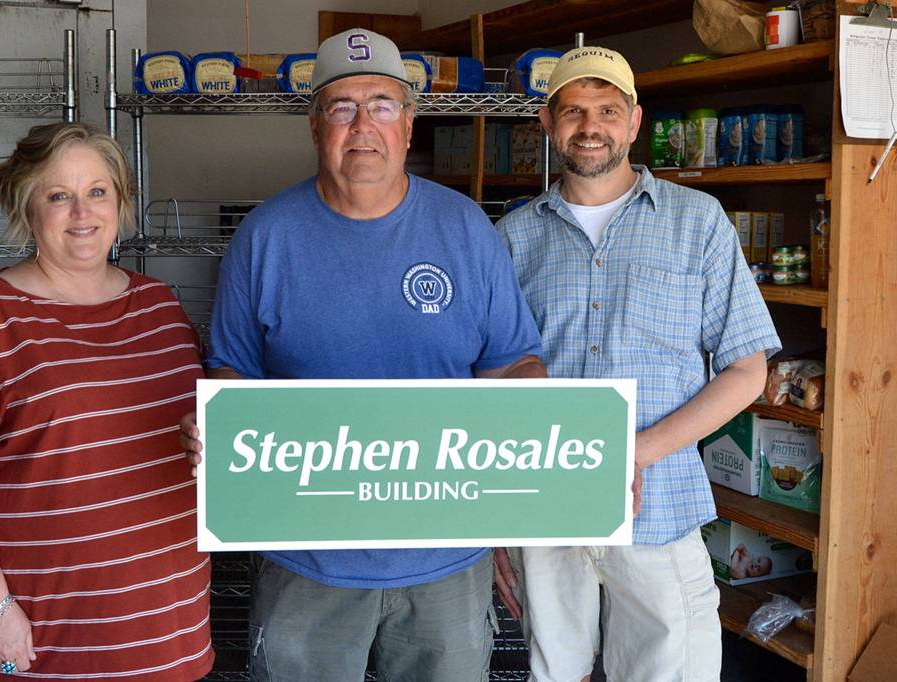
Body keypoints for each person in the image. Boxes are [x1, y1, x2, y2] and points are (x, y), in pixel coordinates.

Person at [179, 28, 546, 681]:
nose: (362, 125)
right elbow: (231, 371)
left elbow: (514, 361)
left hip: (447, 558)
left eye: (380, 105)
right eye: (342, 107)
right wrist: (219, 418)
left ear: (408, 124)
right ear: (315, 126)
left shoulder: (466, 229)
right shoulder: (264, 237)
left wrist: (534, 436)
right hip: (306, 558)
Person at [494, 47, 782, 682]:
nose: (589, 125)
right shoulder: (512, 238)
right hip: (544, 505)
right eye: (572, 111)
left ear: (633, 122)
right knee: (551, 671)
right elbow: (489, 378)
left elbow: (746, 371)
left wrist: (635, 453)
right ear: (547, 123)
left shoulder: (696, 222)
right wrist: (495, 523)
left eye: (606, 110)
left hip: (661, 507)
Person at [0, 122, 213, 680]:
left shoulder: (162, 308)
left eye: (98, 191)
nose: (82, 212)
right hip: (50, 634)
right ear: (25, 208)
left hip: (170, 625)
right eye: (58, 196)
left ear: (120, 201)